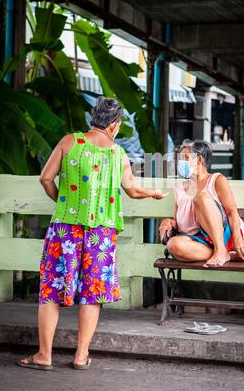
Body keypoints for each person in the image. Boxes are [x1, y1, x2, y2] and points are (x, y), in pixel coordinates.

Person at [18, 96, 168, 371]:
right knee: (92, 292)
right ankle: (80, 355)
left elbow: (45, 178)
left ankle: (44, 355)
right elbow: (132, 190)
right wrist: (155, 193)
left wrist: (62, 202)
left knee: (52, 289)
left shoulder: (69, 142)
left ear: (94, 118)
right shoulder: (118, 154)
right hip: (102, 234)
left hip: (65, 228)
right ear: (114, 125)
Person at [159, 139, 244, 267]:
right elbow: (179, 222)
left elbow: (232, 211)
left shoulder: (216, 179)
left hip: (223, 235)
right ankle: (225, 254)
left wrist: (237, 240)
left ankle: (220, 249)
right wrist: (168, 222)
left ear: (199, 160)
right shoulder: (179, 187)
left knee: (200, 198)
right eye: (180, 159)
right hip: (199, 240)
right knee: (173, 245)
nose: (181, 163)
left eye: (185, 158)